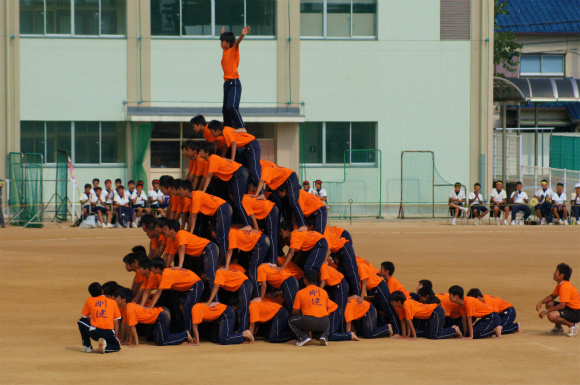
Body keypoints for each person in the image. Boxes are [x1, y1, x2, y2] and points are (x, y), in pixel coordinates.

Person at [114, 287, 193, 347]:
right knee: (158, 339)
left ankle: (185, 335)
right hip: (160, 314)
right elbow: (128, 326)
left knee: (162, 341)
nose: (115, 299)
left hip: (161, 315)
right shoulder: (127, 307)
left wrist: (136, 344)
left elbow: (133, 327)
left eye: (117, 297)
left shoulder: (130, 308)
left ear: (123, 299)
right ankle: (182, 339)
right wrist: (128, 341)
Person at [198, 142, 251, 228]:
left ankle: (248, 224)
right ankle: (243, 223)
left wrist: (203, 191)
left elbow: (209, 175)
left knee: (238, 201)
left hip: (238, 173)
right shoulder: (211, 160)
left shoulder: (212, 158)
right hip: (236, 175)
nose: (199, 152)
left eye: (200, 151)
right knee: (235, 199)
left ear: (207, 152)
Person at [147, 258, 204, 333]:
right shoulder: (167, 271)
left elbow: (158, 293)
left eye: (152, 267)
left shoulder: (166, 274)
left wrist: (150, 307)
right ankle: (185, 333)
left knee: (187, 309)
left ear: (157, 268)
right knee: (183, 309)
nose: (151, 269)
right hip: (191, 286)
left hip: (195, 285)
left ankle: (190, 336)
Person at [179, 180, 232, 262]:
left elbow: (194, 216)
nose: (179, 192)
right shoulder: (193, 198)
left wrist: (190, 233)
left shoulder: (196, 196)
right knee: (219, 237)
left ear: (186, 190)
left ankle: (225, 263)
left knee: (222, 238)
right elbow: (191, 217)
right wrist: (189, 231)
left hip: (222, 208)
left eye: (180, 189)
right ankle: (223, 261)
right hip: (219, 211)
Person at [162, 219, 219, 295]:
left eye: (165, 229)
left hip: (209, 248)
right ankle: (210, 298)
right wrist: (164, 270)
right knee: (205, 276)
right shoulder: (173, 241)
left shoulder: (180, 233)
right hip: (201, 254)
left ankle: (215, 300)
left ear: (172, 230)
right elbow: (170, 256)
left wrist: (180, 266)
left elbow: (182, 248)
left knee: (210, 275)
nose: (164, 231)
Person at [252, 159, 307, 231]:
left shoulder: (265, 168)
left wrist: (256, 194)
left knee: (293, 202)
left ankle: (303, 225)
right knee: (289, 204)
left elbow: (262, 181)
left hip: (290, 177)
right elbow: (268, 181)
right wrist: (264, 192)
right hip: (286, 179)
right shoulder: (267, 164)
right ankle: (295, 224)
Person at [208, 120, 261, 187]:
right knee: (239, 166)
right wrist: (222, 158)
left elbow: (234, 143)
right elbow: (226, 145)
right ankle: (252, 186)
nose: (211, 134)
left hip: (251, 144)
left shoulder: (225, 131)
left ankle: (261, 191)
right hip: (248, 146)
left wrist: (232, 159)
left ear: (217, 130)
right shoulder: (224, 132)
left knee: (254, 169)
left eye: (211, 132)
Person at [357, 256, 400, 337]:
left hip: (379, 286)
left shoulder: (360, 267)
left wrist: (362, 297)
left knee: (388, 308)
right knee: (381, 309)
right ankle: (387, 328)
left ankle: (396, 332)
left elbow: (364, 282)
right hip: (376, 288)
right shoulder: (359, 266)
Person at [390, 291, 460, 340]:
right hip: (433, 313)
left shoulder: (406, 305)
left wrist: (414, 336)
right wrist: (406, 335)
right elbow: (407, 321)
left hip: (436, 311)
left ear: (398, 301)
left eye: (392, 301)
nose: (391, 303)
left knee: (434, 336)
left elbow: (409, 322)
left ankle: (454, 330)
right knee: (429, 334)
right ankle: (452, 328)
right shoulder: (405, 304)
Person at [288, 270, 332, 346]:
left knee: (291, 321)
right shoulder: (324, 292)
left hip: (309, 321)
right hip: (324, 322)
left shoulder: (300, 292)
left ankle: (303, 337)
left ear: (305, 280)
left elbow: (295, 312)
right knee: (327, 320)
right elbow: (326, 310)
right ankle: (324, 336)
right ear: (316, 280)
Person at [223, 227, 270, 298]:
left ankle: (257, 297)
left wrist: (226, 267)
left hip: (260, 242)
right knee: (255, 268)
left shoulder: (231, 234)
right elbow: (249, 227)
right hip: (264, 237)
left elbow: (230, 251)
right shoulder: (234, 230)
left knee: (252, 270)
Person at [536, 263, 579, 337]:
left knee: (551, 316)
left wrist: (546, 311)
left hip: (576, 312)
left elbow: (562, 306)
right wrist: (541, 302)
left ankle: (572, 325)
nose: (554, 273)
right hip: (569, 308)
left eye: (556, 271)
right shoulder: (561, 284)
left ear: (561, 275)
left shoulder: (565, 286)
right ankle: (558, 328)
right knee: (549, 303)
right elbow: (553, 296)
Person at [220, 25, 250, 129]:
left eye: (222, 41)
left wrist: (241, 35)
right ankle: (229, 128)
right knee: (225, 110)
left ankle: (241, 126)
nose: (220, 43)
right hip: (227, 83)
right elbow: (225, 42)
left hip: (234, 82)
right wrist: (222, 34)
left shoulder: (233, 50)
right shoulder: (225, 51)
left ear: (228, 43)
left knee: (232, 106)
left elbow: (236, 43)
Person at [77, 282, 121, 354]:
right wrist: (116, 336)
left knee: (81, 321)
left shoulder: (90, 300)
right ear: (102, 291)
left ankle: (87, 346)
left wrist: (92, 319)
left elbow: (84, 316)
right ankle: (106, 347)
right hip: (109, 333)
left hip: (95, 332)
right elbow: (116, 321)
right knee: (116, 347)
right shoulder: (113, 302)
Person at [205, 267, 252, 332]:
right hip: (242, 284)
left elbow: (216, 288)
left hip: (244, 283)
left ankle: (243, 334)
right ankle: (241, 331)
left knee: (243, 309)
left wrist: (208, 302)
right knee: (241, 309)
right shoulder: (221, 272)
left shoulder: (219, 272)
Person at [242, 192, 279, 263]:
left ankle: (273, 261)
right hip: (269, 209)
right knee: (270, 236)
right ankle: (271, 260)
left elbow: (252, 215)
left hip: (270, 210)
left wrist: (256, 229)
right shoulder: (245, 196)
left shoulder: (243, 200)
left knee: (272, 237)